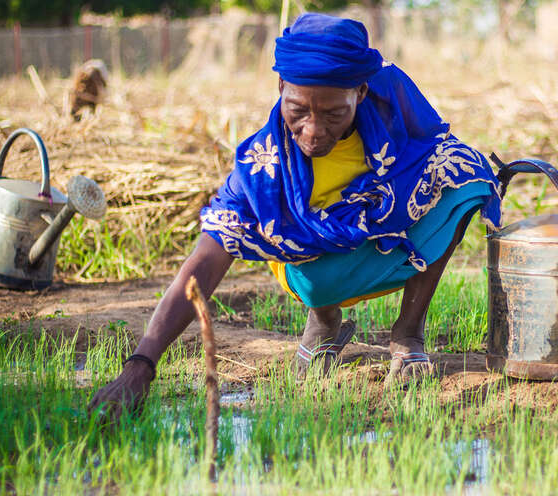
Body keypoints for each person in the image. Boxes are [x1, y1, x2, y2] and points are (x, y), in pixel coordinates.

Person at [89, 13, 502, 414]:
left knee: (464, 172)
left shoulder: (391, 114)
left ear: (360, 92)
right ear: (281, 86)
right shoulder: (263, 169)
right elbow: (202, 263)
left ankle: (408, 334)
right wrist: (140, 367)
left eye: (333, 113)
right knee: (317, 276)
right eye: (298, 110)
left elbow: (435, 150)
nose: (313, 130)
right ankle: (323, 320)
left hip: (377, 230)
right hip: (310, 268)